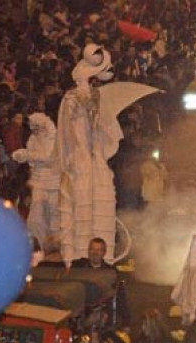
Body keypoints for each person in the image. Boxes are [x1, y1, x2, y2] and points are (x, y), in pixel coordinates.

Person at [55, 43, 121, 264]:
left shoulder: (96, 99)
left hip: (95, 159)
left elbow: (107, 130)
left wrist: (96, 111)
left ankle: (103, 257)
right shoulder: (70, 99)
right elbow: (67, 131)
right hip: (80, 160)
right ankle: (77, 256)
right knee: (79, 205)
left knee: (101, 203)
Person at [13, 113, 60, 250]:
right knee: (37, 212)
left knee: (54, 212)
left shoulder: (54, 138)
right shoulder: (33, 139)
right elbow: (31, 155)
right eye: (33, 127)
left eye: (37, 127)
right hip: (39, 179)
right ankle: (37, 243)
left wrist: (27, 155)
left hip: (54, 180)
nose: (35, 130)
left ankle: (55, 243)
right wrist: (21, 155)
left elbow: (48, 157)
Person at [70, 238, 131, 329]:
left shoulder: (111, 273)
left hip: (103, 318)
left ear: (104, 252)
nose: (95, 252)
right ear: (88, 251)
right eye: (92, 249)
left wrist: (126, 323)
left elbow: (120, 297)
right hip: (79, 314)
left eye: (99, 250)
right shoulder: (78, 268)